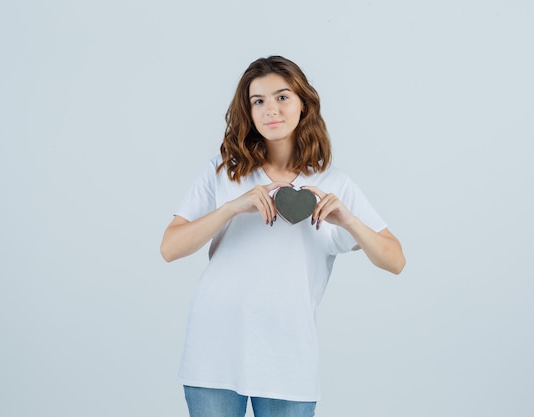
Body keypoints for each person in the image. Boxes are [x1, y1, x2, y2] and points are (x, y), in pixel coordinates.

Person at [160, 55, 405, 417]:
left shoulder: (333, 183)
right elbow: (169, 248)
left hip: (287, 357)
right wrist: (231, 207)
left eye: (282, 97)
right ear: (248, 110)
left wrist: (349, 221)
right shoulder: (222, 170)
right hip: (214, 346)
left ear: (303, 103)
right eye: (257, 101)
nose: (270, 109)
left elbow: (395, 260)